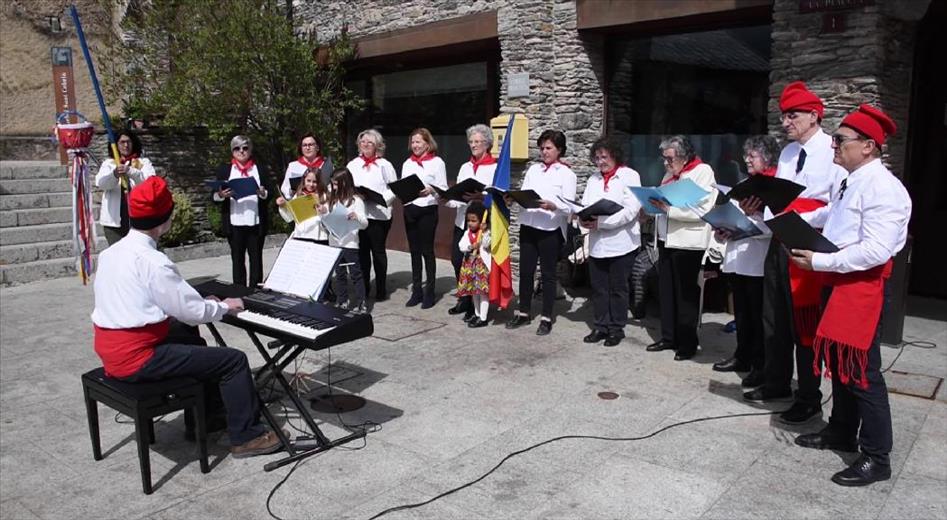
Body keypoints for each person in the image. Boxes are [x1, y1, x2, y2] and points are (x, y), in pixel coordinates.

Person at [91, 176, 281, 458]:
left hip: (109, 348)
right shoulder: (154, 262)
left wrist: (198, 303)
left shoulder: (110, 253)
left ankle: (206, 418)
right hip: (136, 358)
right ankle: (247, 436)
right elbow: (192, 312)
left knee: (189, 337)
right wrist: (224, 306)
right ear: (165, 220)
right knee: (233, 360)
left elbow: (156, 303)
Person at [788, 105, 910, 486]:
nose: (834, 146)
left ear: (869, 146)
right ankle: (841, 430)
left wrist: (822, 262)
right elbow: (833, 214)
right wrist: (793, 220)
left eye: (840, 140)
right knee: (841, 367)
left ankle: (877, 455)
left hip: (861, 287)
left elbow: (876, 250)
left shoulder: (883, 188)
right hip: (838, 281)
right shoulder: (852, 179)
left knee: (861, 374)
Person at [742, 82, 846, 427]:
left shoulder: (833, 152)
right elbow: (778, 196)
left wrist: (803, 215)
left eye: (793, 115)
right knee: (773, 318)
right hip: (779, 241)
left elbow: (836, 206)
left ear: (814, 116)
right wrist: (759, 210)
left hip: (809, 242)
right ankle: (776, 381)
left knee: (805, 324)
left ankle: (809, 396)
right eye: (784, 116)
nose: (786, 122)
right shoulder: (787, 153)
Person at [711, 135, 780, 388]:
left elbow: (774, 227)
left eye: (753, 155)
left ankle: (760, 365)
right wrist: (722, 229)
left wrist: (754, 217)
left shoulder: (775, 186)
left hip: (758, 261)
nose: (747, 159)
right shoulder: (745, 183)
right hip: (738, 258)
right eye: (746, 155)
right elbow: (736, 216)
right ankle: (742, 356)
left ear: (768, 157)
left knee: (759, 318)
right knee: (741, 314)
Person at [646, 135, 716, 360]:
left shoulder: (702, 172)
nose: (665, 163)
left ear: (684, 157)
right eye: (664, 159)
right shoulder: (670, 174)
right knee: (666, 290)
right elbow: (663, 203)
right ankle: (668, 337)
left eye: (669, 158)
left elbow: (703, 209)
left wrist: (669, 210)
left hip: (688, 242)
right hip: (667, 238)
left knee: (685, 294)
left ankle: (687, 343)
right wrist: (651, 205)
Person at [506, 130, 577, 336]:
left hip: (550, 229)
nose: (544, 152)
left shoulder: (567, 174)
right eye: (542, 148)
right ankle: (524, 312)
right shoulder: (533, 170)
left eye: (549, 148)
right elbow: (526, 193)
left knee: (547, 275)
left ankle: (546, 317)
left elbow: (570, 207)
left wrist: (554, 206)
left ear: (559, 150)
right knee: (526, 272)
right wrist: (514, 198)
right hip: (529, 225)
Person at [579, 137, 642, 347]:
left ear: (615, 155)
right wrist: (584, 218)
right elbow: (585, 204)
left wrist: (601, 223)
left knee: (618, 288)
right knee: (598, 288)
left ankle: (616, 328)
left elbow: (630, 211)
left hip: (622, 243)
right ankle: (600, 326)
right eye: (597, 158)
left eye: (604, 157)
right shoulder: (593, 179)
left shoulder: (630, 176)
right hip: (598, 244)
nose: (600, 162)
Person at [443, 124, 497, 320]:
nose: (473, 145)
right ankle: (464, 297)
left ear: (487, 144)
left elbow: (497, 197)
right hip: (463, 220)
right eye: (471, 142)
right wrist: (448, 197)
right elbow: (458, 193)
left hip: (483, 222)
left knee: (478, 264)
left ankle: (477, 306)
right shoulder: (465, 166)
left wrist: (481, 197)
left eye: (477, 142)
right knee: (458, 260)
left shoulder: (494, 167)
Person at [213, 135, 271, 288]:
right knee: (237, 259)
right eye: (237, 148)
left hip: (255, 220)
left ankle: (255, 291)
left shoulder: (260, 169)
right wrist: (221, 195)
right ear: (232, 151)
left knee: (256, 258)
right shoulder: (225, 170)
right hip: (234, 221)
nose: (241, 151)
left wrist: (263, 193)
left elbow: (270, 192)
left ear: (250, 150)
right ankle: (238, 291)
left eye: (245, 148)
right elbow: (213, 196)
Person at [346, 129, 397, 302]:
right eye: (362, 142)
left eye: (370, 142)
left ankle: (381, 289)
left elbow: (394, 189)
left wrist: (382, 199)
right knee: (362, 253)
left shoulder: (385, 165)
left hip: (379, 214)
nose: (365, 144)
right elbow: (345, 186)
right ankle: (364, 287)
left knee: (378, 252)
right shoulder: (352, 164)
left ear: (377, 145)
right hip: (359, 214)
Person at [400, 128, 448, 309]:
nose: (415, 145)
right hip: (410, 209)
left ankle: (430, 292)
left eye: (418, 142)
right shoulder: (407, 163)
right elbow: (404, 186)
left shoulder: (437, 162)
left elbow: (442, 187)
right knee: (414, 252)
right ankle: (416, 291)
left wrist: (431, 189)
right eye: (413, 142)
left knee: (427, 251)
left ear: (427, 143)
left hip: (428, 209)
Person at [94, 131, 157, 245]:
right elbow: (101, 183)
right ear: (116, 145)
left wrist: (131, 171)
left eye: (128, 142)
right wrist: (114, 175)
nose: (126, 145)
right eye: (122, 142)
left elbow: (150, 184)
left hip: (139, 221)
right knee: (118, 258)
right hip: (114, 223)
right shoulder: (108, 164)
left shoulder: (143, 163)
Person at [323, 168, 369, 313]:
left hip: (350, 243)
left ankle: (362, 302)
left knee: (356, 274)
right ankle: (342, 300)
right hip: (335, 242)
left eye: (336, 184)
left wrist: (357, 217)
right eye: (333, 184)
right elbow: (326, 222)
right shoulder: (332, 200)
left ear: (345, 183)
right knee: (340, 274)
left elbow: (365, 224)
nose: (333, 187)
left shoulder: (356, 201)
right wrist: (322, 215)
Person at [456, 201, 491, 328]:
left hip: (481, 267)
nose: (470, 223)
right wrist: (471, 246)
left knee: (482, 292)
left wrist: (484, 232)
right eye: (469, 220)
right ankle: (477, 314)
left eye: (474, 220)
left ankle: (483, 317)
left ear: (481, 221)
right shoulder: (467, 233)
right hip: (470, 265)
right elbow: (461, 246)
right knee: (474, 293)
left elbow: (487, 244)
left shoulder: (486, 233)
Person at [276, 167, 329, 244]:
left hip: (319, 236)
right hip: (301, 235)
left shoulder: (323, 195)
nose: (311, 184)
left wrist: (324, 210)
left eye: (315, 182)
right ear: (304, 180)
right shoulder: (298, 195)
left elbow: (331, 215)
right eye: (308, 181)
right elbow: (290, 217)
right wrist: (282, 206)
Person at [280, 133, 334, 200]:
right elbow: (285, 187)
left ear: (317, 147)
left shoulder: (327, 166)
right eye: (304, 145)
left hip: (322, 204)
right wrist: (292, 193)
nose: (307, 148)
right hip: (299, 203)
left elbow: (332, 187)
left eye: (310, 145)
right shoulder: (293, 166)